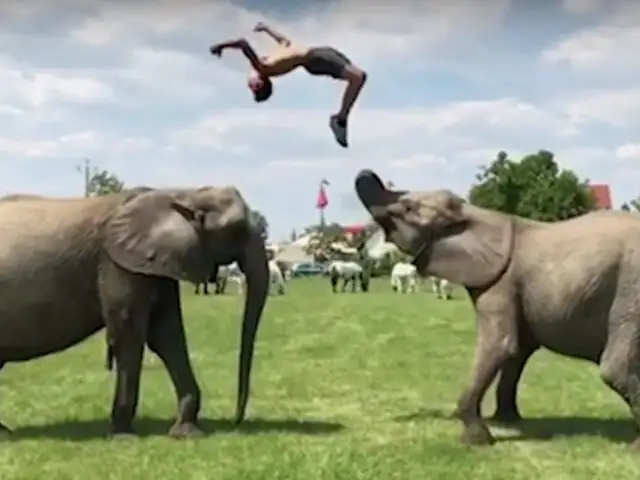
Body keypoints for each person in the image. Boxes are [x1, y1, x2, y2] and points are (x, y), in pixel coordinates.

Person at [210, 22, 367, 148]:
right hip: (314, 59)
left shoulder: (273, 58)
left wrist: (267, 29)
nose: (248, 82)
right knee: (358, 77)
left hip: (321, 52)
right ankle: (340, 120)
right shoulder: (264, 68)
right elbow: (243, 43)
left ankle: (340, 119)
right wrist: (221, 46)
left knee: (358, 77)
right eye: (251, 86)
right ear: (259, 83)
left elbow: (284, 41)